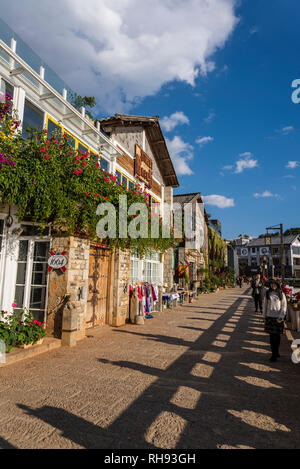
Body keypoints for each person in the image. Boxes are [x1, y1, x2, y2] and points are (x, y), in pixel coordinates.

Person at [264, 280, 287, 362]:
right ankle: (273, 354)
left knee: (277, 336)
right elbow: (265, 305)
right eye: (271, 284)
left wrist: (281, 316)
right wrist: (265, 316)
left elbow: (284, 306)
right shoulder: (267, 293)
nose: (273, 285)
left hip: (278, 317)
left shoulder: (281, 294)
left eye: (274, 284)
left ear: (277, 285)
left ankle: (276, 351)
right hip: (270, 317)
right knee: (272, 337)